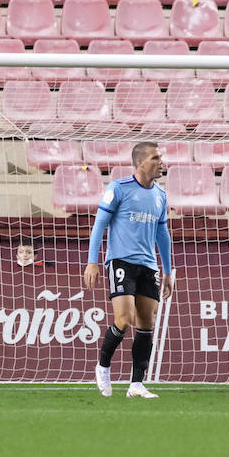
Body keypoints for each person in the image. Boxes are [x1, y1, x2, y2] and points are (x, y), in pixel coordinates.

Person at [83, 142, 175, 399]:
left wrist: (167, 272)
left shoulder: (160, 195)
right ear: (140, 163)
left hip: (148, 265)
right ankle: (103, 367)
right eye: (156, 157)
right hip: (121, 261)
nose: (161, 162)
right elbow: (99, 224)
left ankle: (136, 384)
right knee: (123, 320)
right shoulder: (118, 188)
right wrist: (93, 261)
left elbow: (162, 234)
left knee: (147, 323)